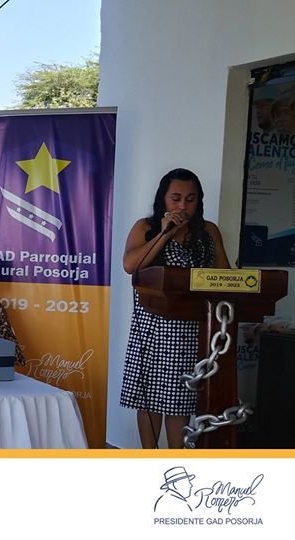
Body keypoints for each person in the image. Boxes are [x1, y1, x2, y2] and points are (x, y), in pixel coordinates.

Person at [120, 168, 231, 449]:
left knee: (179, 399)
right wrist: (165, 233)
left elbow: (226, 277)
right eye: (176, 198)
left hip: (193, 327)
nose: (183, 206)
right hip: (153, 327)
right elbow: (130, 265)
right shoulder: (146, 227)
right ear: (163, 199)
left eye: (190, 199)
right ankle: (149, 457)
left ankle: (175, 460)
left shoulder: (208, 231)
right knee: (149, 399)